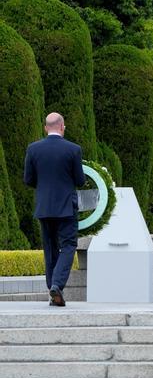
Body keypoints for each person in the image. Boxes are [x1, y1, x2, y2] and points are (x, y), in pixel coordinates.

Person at [22, 113, 85, 307]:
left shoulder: (33, 149)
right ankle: (56, 285)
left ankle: (53, 290)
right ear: (63, 127)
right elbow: (80, 180)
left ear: (45, 128)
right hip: (66, 207)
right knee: (68, 246)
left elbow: (28, 179)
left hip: (44, 206)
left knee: (50, 249)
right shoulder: (73, 150)